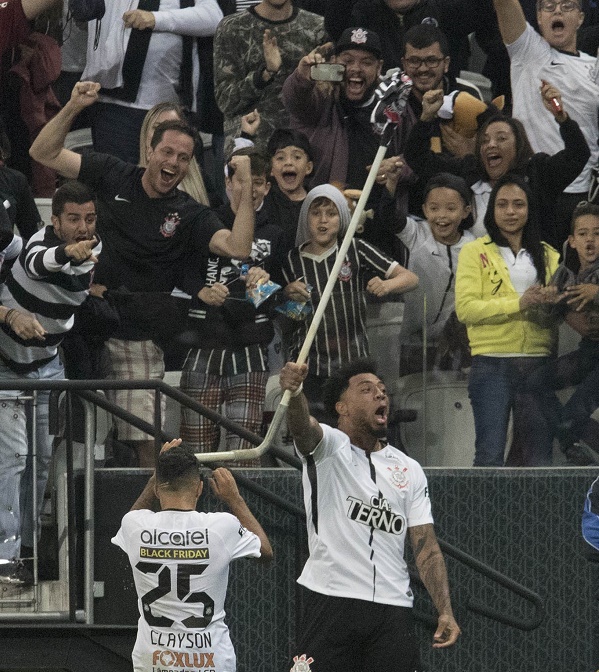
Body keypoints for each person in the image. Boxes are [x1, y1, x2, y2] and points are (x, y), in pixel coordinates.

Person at [29, 81, 255, 468]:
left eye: (184, 158)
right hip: (78, 321)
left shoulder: (189, 213)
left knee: (145, 441)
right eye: (167, 151)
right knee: (61, 432)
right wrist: (72, 107)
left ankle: (151, 520)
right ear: (149, 150)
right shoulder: (113, 173)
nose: (173, 162)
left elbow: (237, 248)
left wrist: (247, 185)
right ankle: (62, 514)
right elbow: (42, 152)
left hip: (134, 334)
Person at [279, 358, 460, 672]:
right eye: (367, 390)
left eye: (383, 391)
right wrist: (295, 393)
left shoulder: (409, 469)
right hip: (332, 599)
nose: (381, 396)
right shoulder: (329, 448)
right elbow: (302, 428)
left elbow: (426, 547)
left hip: (392, 609)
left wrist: (444, 610)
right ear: (342, 408)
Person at [0, 180, 101, 586]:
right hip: (6, 367)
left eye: (89, 219)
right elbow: (41, 263)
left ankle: (23, 552)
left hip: (48, 367)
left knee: (40, 464)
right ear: (53, 220)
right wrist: (65, 251)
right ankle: (4, 561)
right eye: (73, 219)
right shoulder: (33, 246)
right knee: (11, 461)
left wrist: (76, 251)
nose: (82, 227)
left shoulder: (95, 247)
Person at [112, 438, 273, 672]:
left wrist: (157, 474)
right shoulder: (222, 526)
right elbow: (266, 553)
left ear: (157, 487)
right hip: (211, 662)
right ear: (199, 488)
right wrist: (234, 499)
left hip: (154, 662)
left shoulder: (134, 525)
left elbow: (129, 521)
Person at [178, 148, 285, 466]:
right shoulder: (205, 220)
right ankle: (195, 513)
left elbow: (291, 303)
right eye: (240, 179)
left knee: (243, 453)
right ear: (228, 182)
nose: (248, 188)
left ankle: (238, 516)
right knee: (196, 452)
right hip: (202, 347)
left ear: (266, 186)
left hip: (251, 352)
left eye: (256, 181)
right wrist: (201, 290)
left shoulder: (276, 234)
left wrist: (264, 286)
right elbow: (181, 273)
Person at [281, 183, 418, 413]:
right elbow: (291, 318)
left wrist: (387, 284)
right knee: (316, 434)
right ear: (305, 217)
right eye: (316, 213)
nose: (323, 220)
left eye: (331, 213)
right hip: (310, 367)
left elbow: (410, 278)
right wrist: (289, 295)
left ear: (343, 218)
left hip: (354, 364)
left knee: (356, 431)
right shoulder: (292, 260)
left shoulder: (355, 249)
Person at [455, 173, 561, 467]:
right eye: (502, 205)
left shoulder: (550, 255)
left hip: (538, 363)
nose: (511, 212)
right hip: (491, 363)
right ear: (492, 211)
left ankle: (539, 515)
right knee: (489, 455)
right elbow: (466, 309)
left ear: (530, 209)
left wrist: (548, 307)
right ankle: (483, 516)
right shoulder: (473, 252)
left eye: (518, 204)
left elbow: (554, 318)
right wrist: (520, 302)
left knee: (539, 458)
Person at [404, 80, 589, 246]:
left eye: (501, 138)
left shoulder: (538, 172)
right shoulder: (468, 171)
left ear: (518, 145)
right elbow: (417, 158)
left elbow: (578, 154)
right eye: (484, 140)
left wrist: (561, 116)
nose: (491, 144)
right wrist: (426, 117)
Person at [492, 0, 599, 244]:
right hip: (536, 189)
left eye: (567, 6)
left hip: (584, 194)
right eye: (549, 6)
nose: (558, 11)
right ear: (539, 18)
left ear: (581, 18)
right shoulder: (528, 51)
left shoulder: (593, 66)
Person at [81, 0, 223, 163]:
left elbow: (214, 17)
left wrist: (156, 19)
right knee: (118, 180)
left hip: (171, 106)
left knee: (174, 181)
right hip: (114, 104)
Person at [526, 201, 599, 464]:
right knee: (534, 383)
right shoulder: (564, 277)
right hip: (589, 352)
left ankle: (571, 440)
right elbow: (544, 320)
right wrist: (544, 302)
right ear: (572, 241)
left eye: (597, 233)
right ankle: (572, 444)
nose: (590, 240)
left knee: (572, 417)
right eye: (583, 234)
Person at [213, 0, 325, 154]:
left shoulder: (316, 27)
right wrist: (265, 74)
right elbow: (226, 101)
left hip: (302, 150)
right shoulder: (232, 28)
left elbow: (326, 99)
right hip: (250, 149)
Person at [394, 173, 475, 373]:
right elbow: (388, 215)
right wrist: (390, 184)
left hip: (452, 343)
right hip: (411, 342)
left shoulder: (474, 246)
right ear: (424, 209)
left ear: (466, 211)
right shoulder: (417, 233)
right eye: (434, 208)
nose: (441, 216)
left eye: (451, 208)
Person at [264, 128, 314, 255]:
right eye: (280, 158)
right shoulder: (263, 202)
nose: (288, 163)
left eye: (297, 157)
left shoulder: (317, 202)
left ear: (308, 167)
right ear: (270, 168)